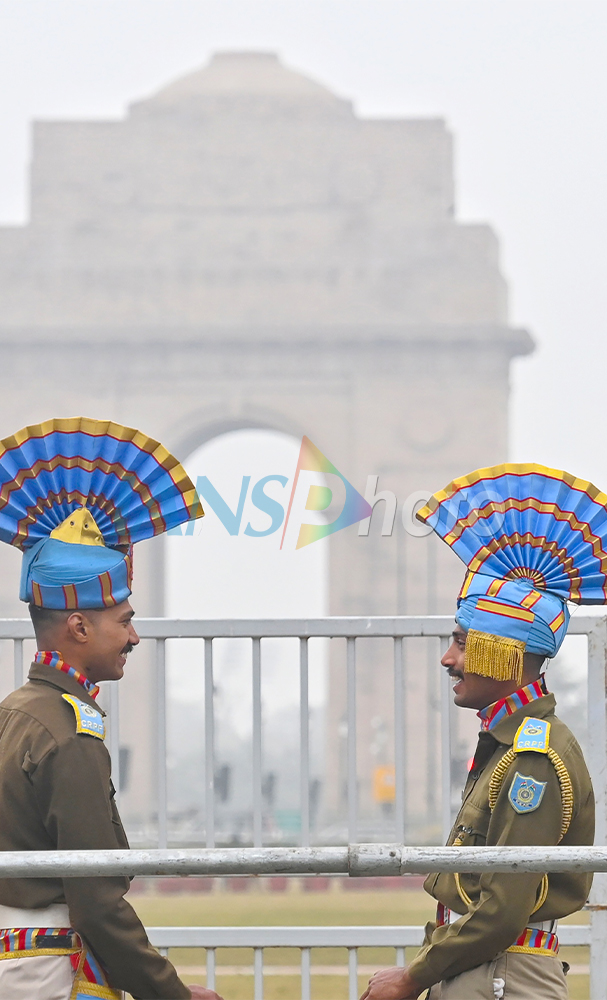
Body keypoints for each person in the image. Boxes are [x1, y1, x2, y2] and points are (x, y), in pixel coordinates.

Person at [0, 417, 223, 1000]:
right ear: (78, 625)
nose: (133, 637)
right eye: (123, 621)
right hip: (43, 971)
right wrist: (173, 993)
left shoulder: (16, 711)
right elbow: (96, 900)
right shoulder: (67, 731)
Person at [361, 463, 601, 1000]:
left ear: (505, 650)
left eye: (464, 643)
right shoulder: (512, 741)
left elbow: (504, 904)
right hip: (488, 969)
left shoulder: (533, 756)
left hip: (504, 976)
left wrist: (411, 976)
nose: (448, 659)